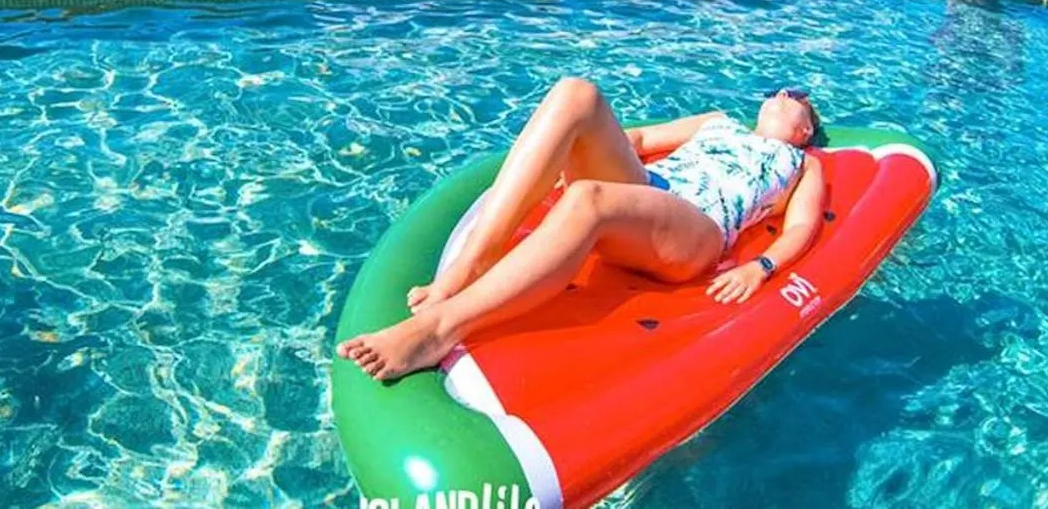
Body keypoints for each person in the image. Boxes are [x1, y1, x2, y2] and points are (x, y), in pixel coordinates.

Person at [337, 78, 826, 382]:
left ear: (805, 130)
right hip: (650, 187)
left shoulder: (800, 164)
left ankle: (437, 330)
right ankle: (472, 262)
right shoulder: (719, 122)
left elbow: (801, 225)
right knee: (578, 93)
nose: (784, 95)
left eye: (796, 99)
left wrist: (762, 266)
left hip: (696, 225)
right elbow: (638, 140)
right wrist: (585, 143)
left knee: (586, 197)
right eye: (779, 91)